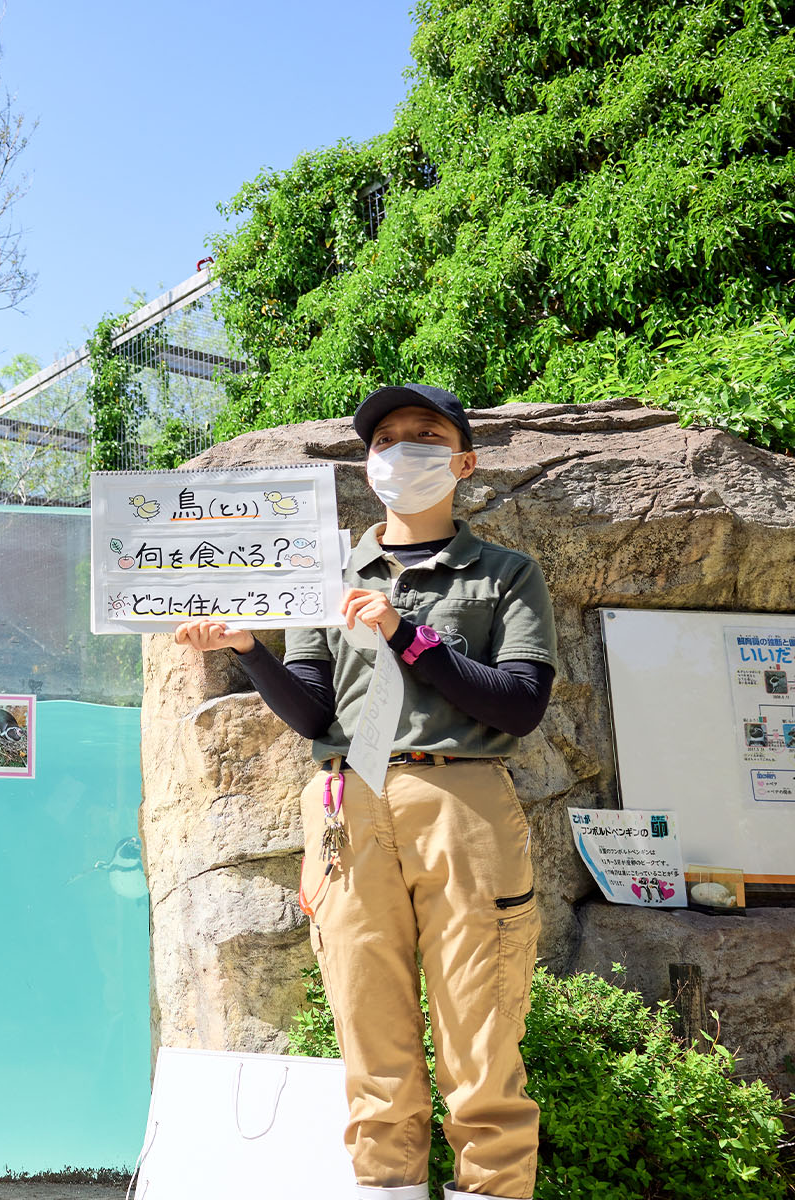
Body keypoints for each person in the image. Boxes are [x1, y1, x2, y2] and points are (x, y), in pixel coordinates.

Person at [175, 385, 557, 1200]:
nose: (404, 447)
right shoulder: (324, 573)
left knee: (481, 1040)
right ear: (368, 461)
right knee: (369, 1035)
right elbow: (313, 709)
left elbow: (520, 705)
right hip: (348, 804)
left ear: (463, 462)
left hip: (463, 801)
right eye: (387, 436)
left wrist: (411, 638)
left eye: (426, 434)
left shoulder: (505, 575)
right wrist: (250, 650)